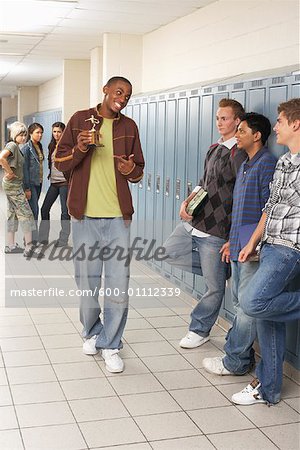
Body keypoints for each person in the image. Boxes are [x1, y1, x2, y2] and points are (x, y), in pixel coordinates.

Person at [55, 76, 144, 373]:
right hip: (84, 217)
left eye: (128, 94)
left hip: (118, 218)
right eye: (118, 91)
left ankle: (112, 343)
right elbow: (60, 162)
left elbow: (139, 171)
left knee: (119, 284)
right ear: (105, 90)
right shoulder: (81, 119)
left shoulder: (129, 126)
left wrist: (131, 170)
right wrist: (80, 148)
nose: (123, 97)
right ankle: (92, 331)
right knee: (88, 283)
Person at [231, 98, 300, 405]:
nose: (276, 127)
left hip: (290, 249)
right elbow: (269, 208)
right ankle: (268, 389)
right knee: (267, 319)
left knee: (252, 301)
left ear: (296, 124)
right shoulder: (285, 161)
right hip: (270, 244)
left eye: (281, 122)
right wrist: (252, 242)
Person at [163, 98, 246, 348]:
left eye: (225, 118)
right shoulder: (214, 147)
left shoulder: (239, 154)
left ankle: (200, 329)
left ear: (237, 121)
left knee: (212, 288)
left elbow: (241, 195)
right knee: (168, 252)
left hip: (217, 227)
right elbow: (203, 181)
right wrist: (186, 202)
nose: (220, 122)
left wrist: (234, 236)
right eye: (218, 118)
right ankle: (222, 273)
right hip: (194, 220)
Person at [202, 113, 277, 376]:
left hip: (252, 250)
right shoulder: (245, 163)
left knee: (246, 307)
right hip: (239, 246)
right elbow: (241, 209)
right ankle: (243, 360)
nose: (238, 135)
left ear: (256, 136)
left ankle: (233, 361)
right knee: (238, 305)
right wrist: (231, 243)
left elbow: (268, 211)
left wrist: (251, 245)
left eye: (242, 131)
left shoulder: (267, 164)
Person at [0, 121, 41, 258]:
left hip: (11, 184)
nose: (23, 137)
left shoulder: (17, 146)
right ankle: (29, 247)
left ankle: (11, 246)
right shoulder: (12, 145)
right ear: (14, 134)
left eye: (25, 135)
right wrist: (9, 172)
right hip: (14, 184)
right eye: (21, 135)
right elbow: (2, 157)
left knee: (12, 213)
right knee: (26, 214)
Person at [39, 122, 70, 247]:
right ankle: (43, 239)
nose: (56, 134)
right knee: (44, 209)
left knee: (65, 212)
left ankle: (63, 240)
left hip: (64, 183)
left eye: (59, 132)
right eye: (54, 131)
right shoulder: (52, 145)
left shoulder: (67, 147)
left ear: (63, 132)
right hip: (54, 183)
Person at [23, 122, 44, 243]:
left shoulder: (39, 146)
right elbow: (24, 169)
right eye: (37, 132)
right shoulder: (27, 148)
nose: (40, 135)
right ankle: (30, 239)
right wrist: (26, 188)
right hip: (30, 184)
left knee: (34, 211)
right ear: (31, 133)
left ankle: (32, 238)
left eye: (41, 133)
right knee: (33, 211)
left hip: (38, 182)